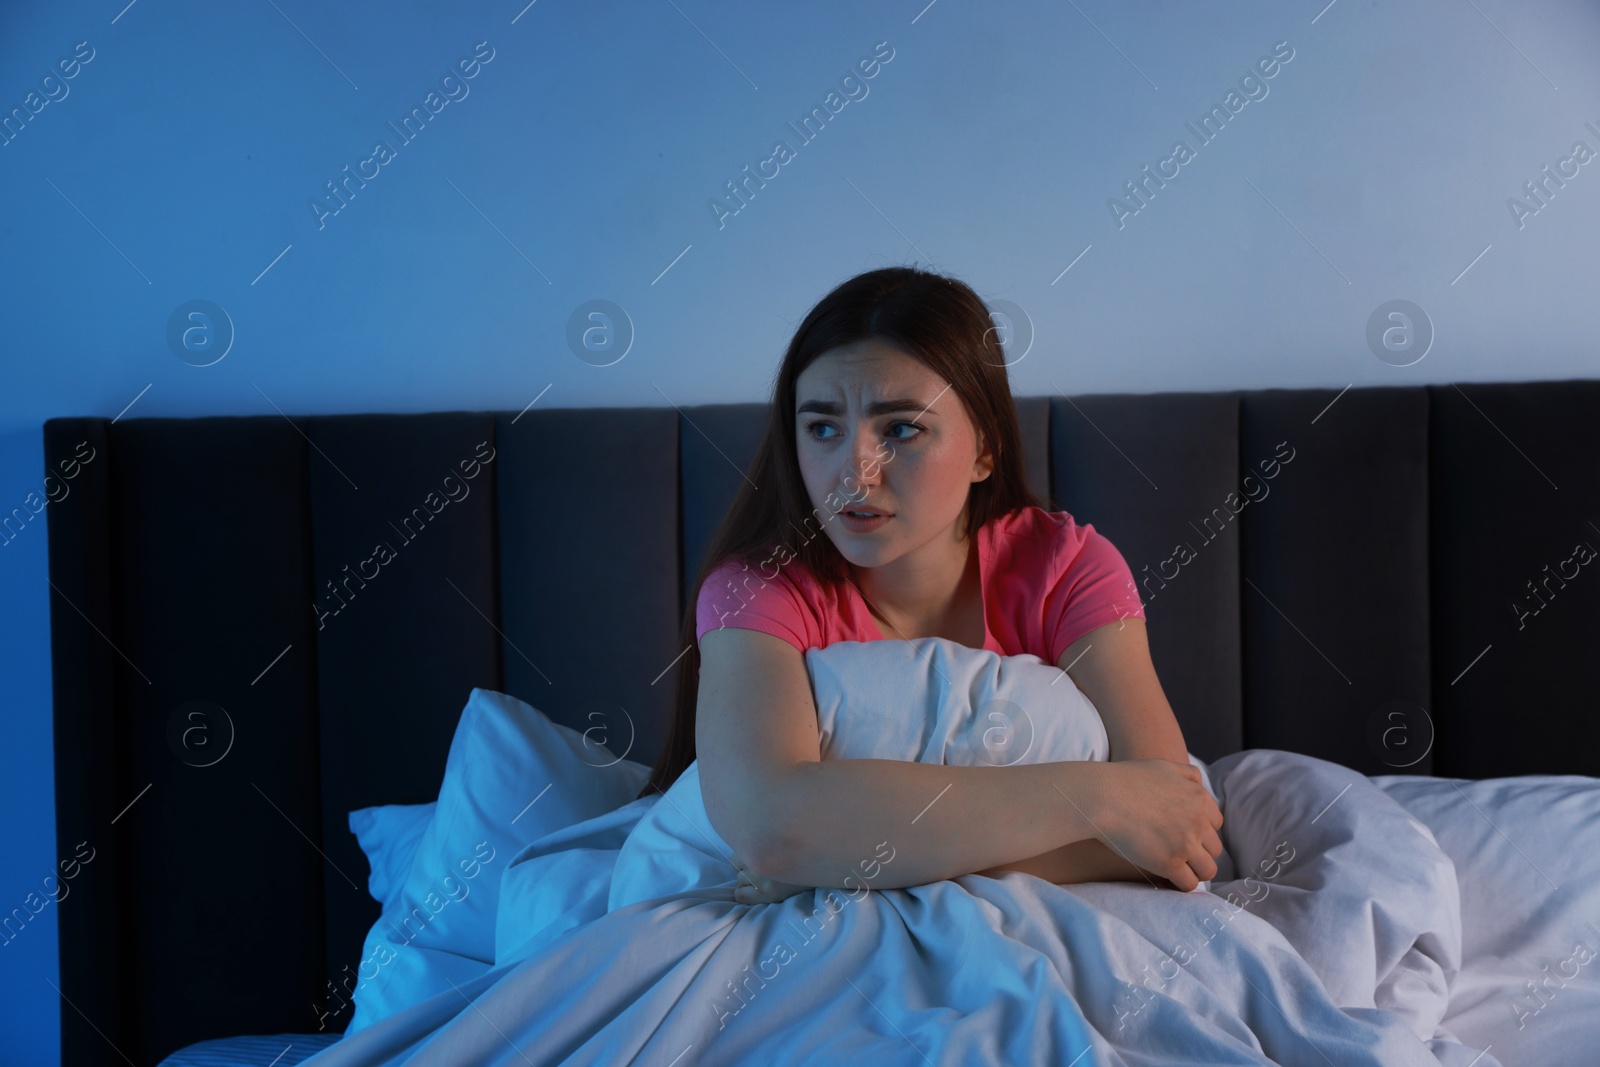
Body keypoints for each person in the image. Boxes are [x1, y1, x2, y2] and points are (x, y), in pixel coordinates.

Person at [636, 265, 1223, 904]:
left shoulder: (1067, 568)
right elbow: (770, 827)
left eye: (901, 429)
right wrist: (1090, 799)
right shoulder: (757, 589)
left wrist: (844, 853)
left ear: (984, 450)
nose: (854, 475)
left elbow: (1173, 833)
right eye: (823, 428)